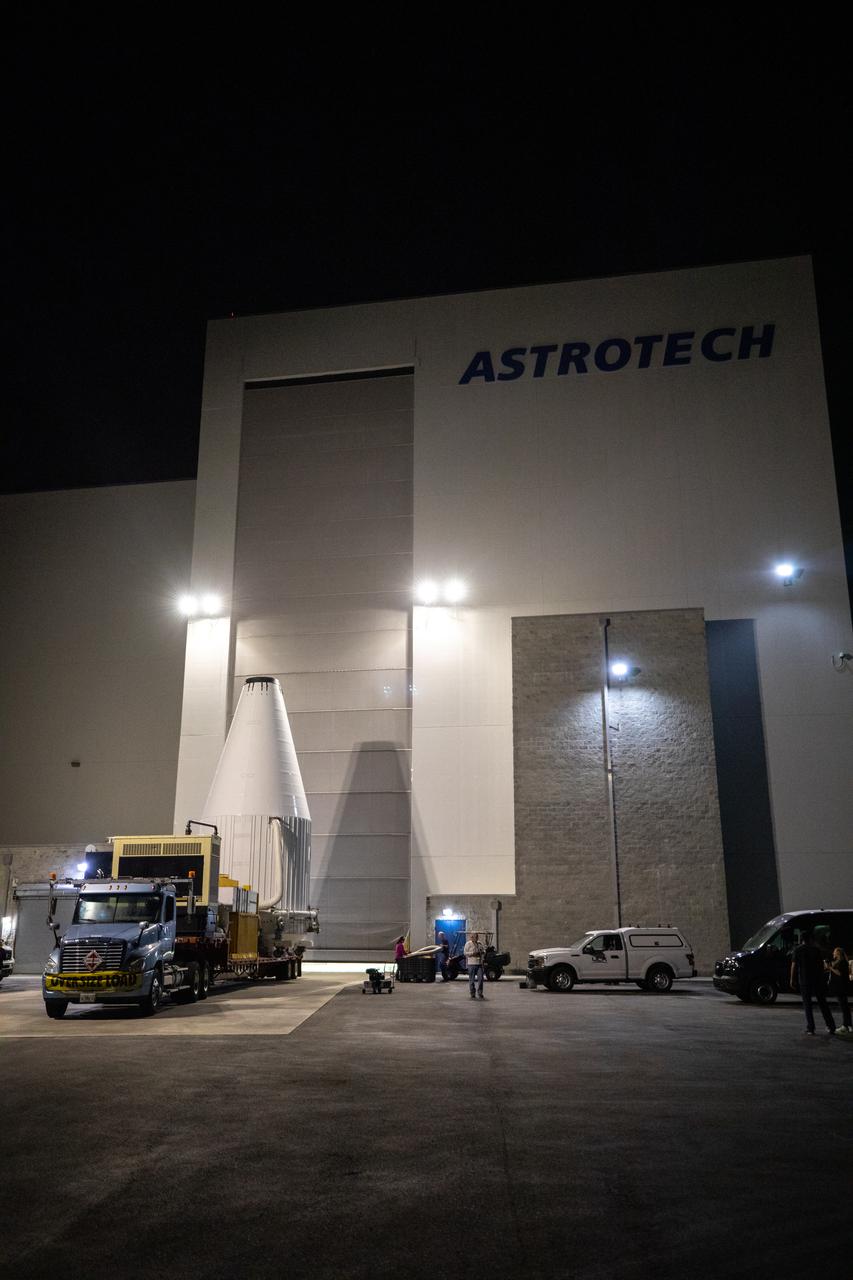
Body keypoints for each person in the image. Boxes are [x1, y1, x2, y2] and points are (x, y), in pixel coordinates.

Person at [790, 930, 836, 1036]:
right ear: (810, 939)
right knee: (822, 1003)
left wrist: (792, 979)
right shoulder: (816, 950)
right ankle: (831, 1026)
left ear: (801, 939)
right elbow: (821, 966)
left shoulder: (797, 950)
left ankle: (811, 1028)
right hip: (817, 980)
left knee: (807, 1005)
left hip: (804, 980)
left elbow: (793, 965)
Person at [827, 945, 852, 1035]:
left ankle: (846, 1025)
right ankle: (848, 1025)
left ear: (838, 953)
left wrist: (830, 968)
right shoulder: (839, 961)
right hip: (840, 987)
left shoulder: (841, 962)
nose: (833, 953)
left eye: (834, 952)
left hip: (841, 987)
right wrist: (829, 967)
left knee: (843, 1006)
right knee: (844, 1006)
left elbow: (839, 973)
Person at [464, 932, 486, 999]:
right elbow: (465, 953)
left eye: (477, 937)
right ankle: (472, 993)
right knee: (472, 980)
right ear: (471, 937)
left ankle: (480, 993)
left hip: (479, 964)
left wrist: (482, 952)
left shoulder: (479, 943)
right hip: (471, 964)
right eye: (474, 937)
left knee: (481, 979)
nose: (476, 938)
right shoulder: (468, 944)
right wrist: (472, 953)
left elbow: (484, 951)